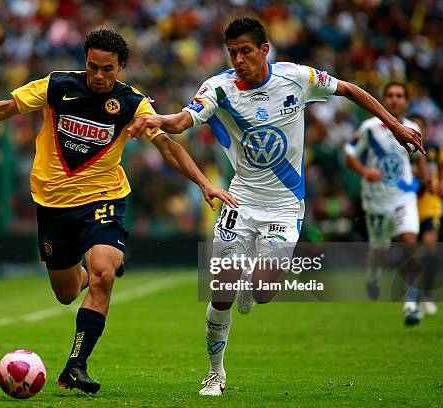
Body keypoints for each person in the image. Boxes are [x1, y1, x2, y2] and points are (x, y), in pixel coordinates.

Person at [0, 28, 237, 394]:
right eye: (93, 67)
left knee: (103, 276)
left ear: (122, 67)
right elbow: (7, 107)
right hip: (52, 204)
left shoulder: (132, 104)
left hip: (103, 197)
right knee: (67, 293)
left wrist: (204, 183)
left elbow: (165, 145)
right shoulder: (57, 86)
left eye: (108, 70)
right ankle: (98, 267)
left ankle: (75, 366)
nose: (99, 76)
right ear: (85, 61)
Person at [128, 17, 423, 396]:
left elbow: (348, 89)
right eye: (232, 52)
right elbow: (184, 120)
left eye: (246, 51)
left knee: (265, 291)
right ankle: (215, 373)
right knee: (221, 291)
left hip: (285, 207)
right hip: (241, 199)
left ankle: (253, 284)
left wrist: (394, 124)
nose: (238, 59)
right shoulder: (218, 89)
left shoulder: (296, 78)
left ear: (264, 49)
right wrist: (159, 119)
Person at [345, 82, 428, 325]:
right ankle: (373, 276)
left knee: (410, 243)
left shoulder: (413, 127)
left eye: (399, 96)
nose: (393, 100)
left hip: (404, 197)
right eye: (389, 95)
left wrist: (428, 176)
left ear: (406, 101)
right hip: (376, 199)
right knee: (378, 251)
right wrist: (364, 170)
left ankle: (412, 304)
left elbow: (422, 159)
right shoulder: (369, 127)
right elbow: (349, 154)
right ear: (383, 99)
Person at [410, 113, 443, 316]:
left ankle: (427, 295)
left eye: (420, 125)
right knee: (413, 253)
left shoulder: (434, 148)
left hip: (431, 203)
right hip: (410, 203)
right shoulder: (402, 147)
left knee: (430, 247)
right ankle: (413, 295)